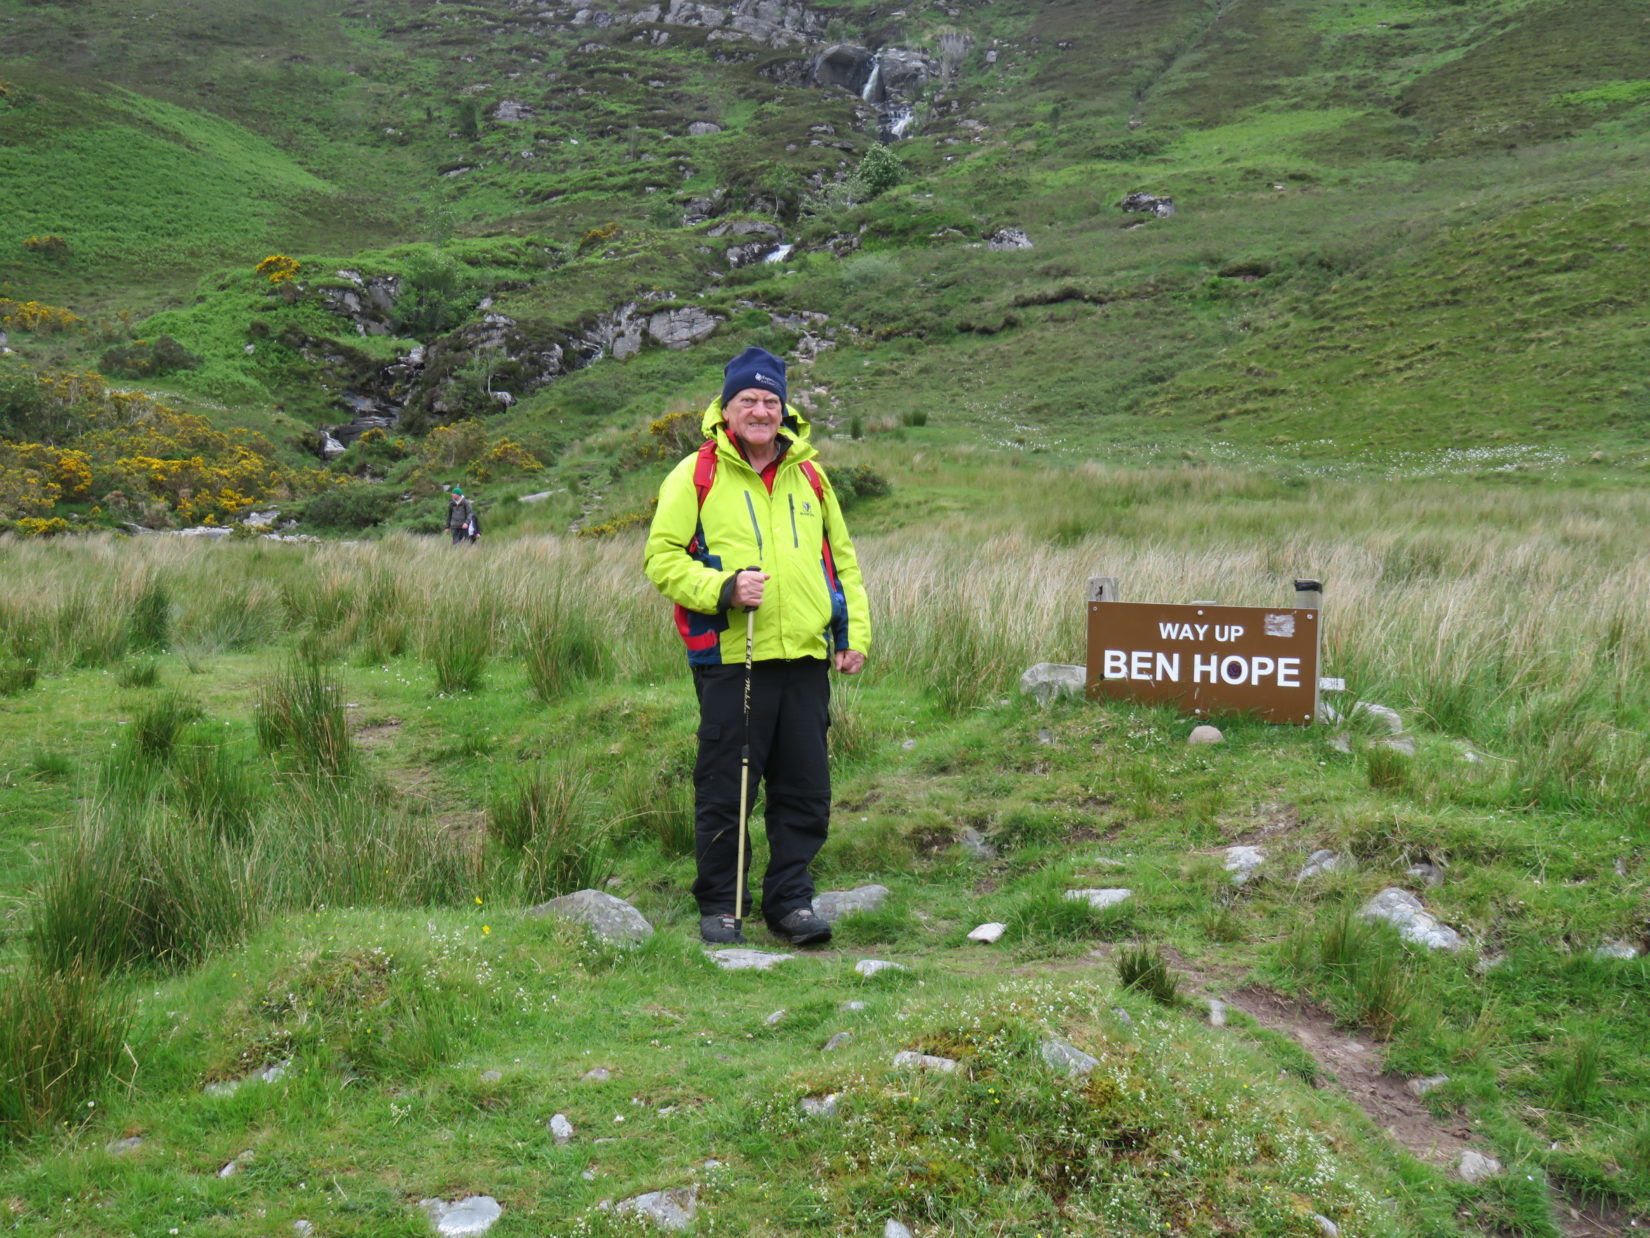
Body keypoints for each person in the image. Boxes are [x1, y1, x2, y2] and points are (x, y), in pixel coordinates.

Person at [644, 346, 871, 947]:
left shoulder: (811, 476)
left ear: (784, 409)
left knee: (805, 789)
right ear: (726, 408)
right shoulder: (695, 474)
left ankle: (791, 904)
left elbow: (840, 561)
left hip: (804, 658)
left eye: (771, 400)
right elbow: (661, 559)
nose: (761, 411)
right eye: (748, 399)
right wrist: (723, 588)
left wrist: (851, 636)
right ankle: (723, 905)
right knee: (728, 788)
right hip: (731, 658)